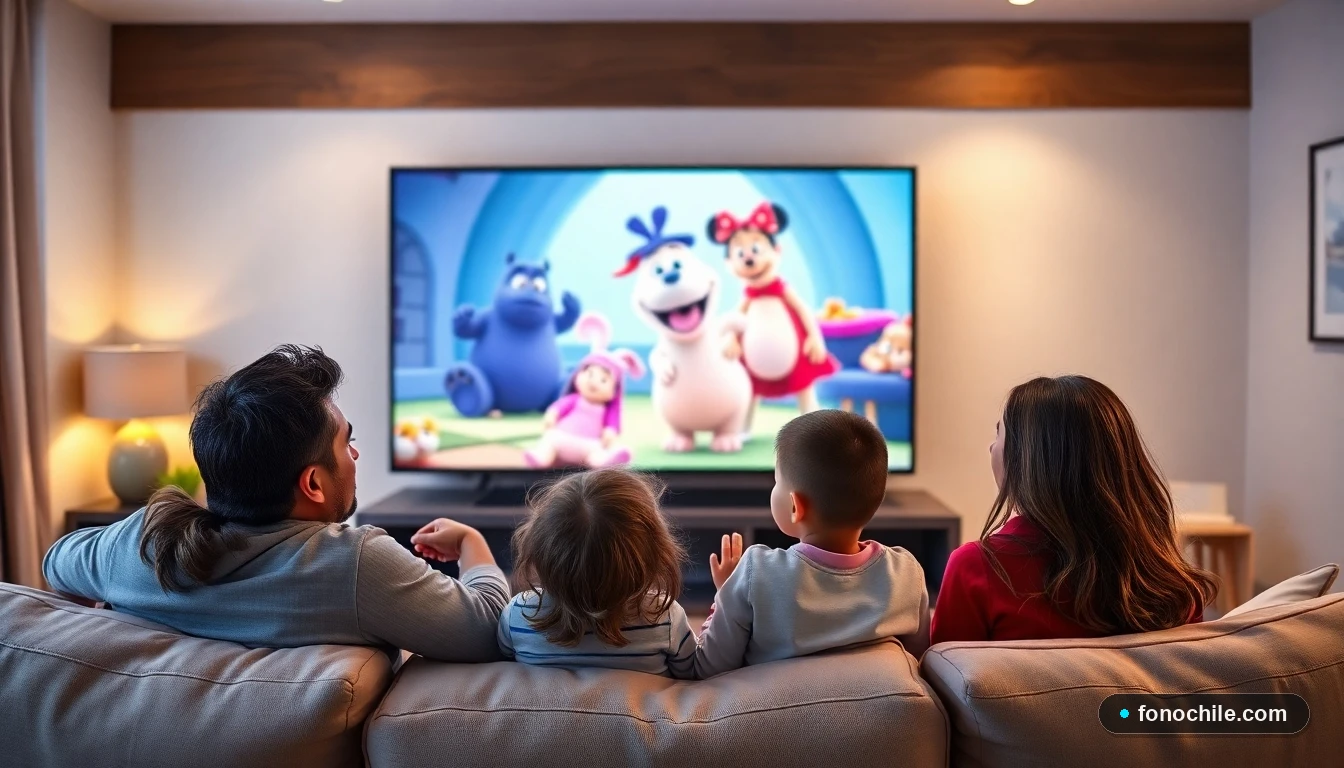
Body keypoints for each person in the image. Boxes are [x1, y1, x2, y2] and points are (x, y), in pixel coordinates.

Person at [43, 344, 508, 661]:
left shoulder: (141, 542)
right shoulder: (355, 566)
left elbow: (56, 562)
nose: (356, 455)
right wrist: (472, 543)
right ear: (313, 484)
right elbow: (488, 629)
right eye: (348, 444)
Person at [930, 375, 1217, 645]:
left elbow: (941, 684)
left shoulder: (976, 569)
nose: (991, 448)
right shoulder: (1169, 582)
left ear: (1027, 460)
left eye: (999, 434)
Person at [693, 409, 928, 679]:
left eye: (776, 482)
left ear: (795, 506)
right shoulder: (907, 572)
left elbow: (710, 668)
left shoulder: (755, 573)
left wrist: (725, 596)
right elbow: (918, 660)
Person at [497, 468, 697, 678]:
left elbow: (503, 661)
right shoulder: (664, 618)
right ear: (656, 554)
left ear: (536, 552)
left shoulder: (518, 614)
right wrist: (723, 599)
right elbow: (690, 673)